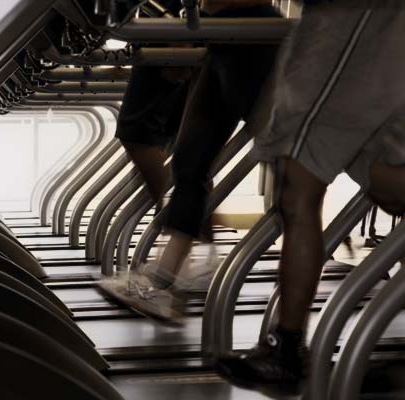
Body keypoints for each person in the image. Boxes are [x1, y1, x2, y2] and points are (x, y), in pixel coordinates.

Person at [217, 0, 405, 392]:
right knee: (387, 182)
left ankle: (284, 350)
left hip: (355, 16)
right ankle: (284, 349)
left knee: (297, 183)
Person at [99, 0, 283, 325]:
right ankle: (163, 280)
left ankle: (288, 316)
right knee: (189, 158)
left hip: (248, 28)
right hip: (217, 28)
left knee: (290, 165)